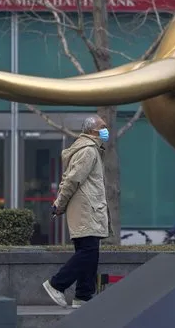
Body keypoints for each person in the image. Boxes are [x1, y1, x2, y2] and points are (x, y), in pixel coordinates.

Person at [42, 115, 112, 309]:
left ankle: (83, 295)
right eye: (102, 127)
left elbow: (69, 180)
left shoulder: (90, 150)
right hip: (86, 210)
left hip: (87, 209)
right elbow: (72, 180)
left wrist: (60, 204)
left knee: (90, 253)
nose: (106, 130)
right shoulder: (88, 151)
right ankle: (57, 284)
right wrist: (59, 204)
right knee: (88, 252)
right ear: (91, 131)